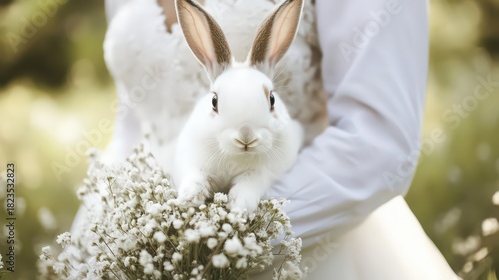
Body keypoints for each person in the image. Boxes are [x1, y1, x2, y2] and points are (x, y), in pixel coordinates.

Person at [89, 0, 460, 279]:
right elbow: (133, 123)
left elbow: (381, 142)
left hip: (302, 241)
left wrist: (210, 244)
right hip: (139, 240)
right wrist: (128, 240)